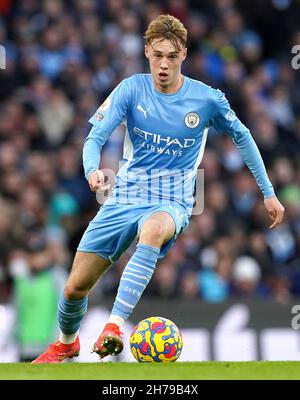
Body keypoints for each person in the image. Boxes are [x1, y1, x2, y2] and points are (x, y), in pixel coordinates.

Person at [32, 14, 285, 363]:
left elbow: (243, 137)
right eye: (157, 56)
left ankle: (114, 326)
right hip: (125, 196)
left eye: (172, 56)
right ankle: (66, 343)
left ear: (184, 53)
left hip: (175, 200)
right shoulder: (131, 88)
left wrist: (267, 191)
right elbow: (95, 137)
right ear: (147, 51)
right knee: (76, 287)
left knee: (153, 229)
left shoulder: (207, 99)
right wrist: (93, 171)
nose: (163, 64)